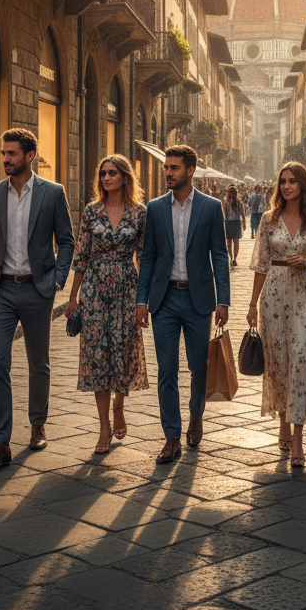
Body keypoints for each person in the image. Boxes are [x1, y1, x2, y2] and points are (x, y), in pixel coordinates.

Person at [0, 129, 75, 466]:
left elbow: (67, 240)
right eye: (3, 153)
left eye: (12, 154)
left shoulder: (52, 193)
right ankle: (0, 441)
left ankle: (37, 425)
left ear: (29, 156)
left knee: (38, 362)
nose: (5, 159)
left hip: (38, 288)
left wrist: (57, 280)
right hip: (0, 289)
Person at [136, 145, 231, 464]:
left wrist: (224, 301)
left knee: (198, 367)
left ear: (190, 170)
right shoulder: (155, 207)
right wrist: (141, 299)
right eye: (166, 168)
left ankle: (195, 416)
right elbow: (148, 255)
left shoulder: (210, 207)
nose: (168, 173)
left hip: (197, 299)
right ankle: (172, 436)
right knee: (166, 370)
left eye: (174, 168)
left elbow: (219, 254)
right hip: (163, 299)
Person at [247, 161, 306, 468]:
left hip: (304, 294)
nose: (286, 186)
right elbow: (261, 263)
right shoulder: (268, 219)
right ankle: (283, 419)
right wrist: (251, 304)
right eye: (282, 181)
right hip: (273, 295)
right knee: (279, 362)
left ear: (303, 185)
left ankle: (297, 437)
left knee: (301, 359)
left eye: (292, 182)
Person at [64, 155, 148, 454]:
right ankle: (103, 427)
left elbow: (143, 257)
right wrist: (73, 297)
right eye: (102, 174)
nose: (106, 178)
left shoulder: (139, 213)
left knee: (124, 353)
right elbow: (81, 253)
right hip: (95, 290)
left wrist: (142, 300)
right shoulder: (91, 211)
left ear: (125, 177)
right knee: (97, 356)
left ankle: (119, 405)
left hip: (126, 287)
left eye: (112, 173)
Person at [223, 185, 245, 267]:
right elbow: (223, 215)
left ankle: (234, 259)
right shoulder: (225, 203)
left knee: (236, 241)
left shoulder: (239, 203)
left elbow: (242, 214)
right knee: (229, 241)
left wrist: (244, 224)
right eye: (230, 193)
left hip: (236, 222)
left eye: (233, 193)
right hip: (228, 223)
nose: (231, 195)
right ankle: (231, 257)